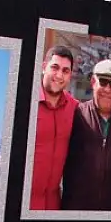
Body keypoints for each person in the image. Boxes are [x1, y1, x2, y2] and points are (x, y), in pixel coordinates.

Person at [63, 59, 111, 211]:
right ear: (93, 82)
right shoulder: (76, 115)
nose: (107, 89)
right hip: (77, 209)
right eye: (103, 82)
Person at [30, 45, 76, 211]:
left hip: (54, 205)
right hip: (23, 202)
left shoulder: (75, 108)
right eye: (55, 67)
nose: (59, 75)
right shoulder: (25, 101)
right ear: (44, 67)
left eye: (65, 71)